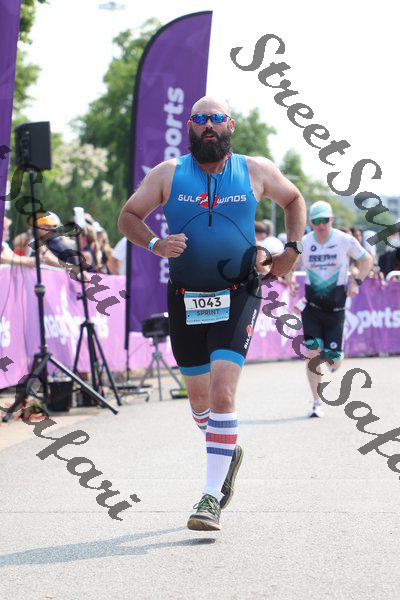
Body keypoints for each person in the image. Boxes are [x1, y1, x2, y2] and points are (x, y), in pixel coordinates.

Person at [118, 96, 306, 531]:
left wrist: (292, 251)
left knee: (223, 394)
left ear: (230, 126)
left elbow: (294, 199)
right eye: (200, 119)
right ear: (190, 127)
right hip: (186, 296)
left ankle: (209, 497)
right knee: (201, 404)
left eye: (216, 119)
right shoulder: (167, 174)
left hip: (239, 292)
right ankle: (227, 449)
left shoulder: (255, 170)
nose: (208, 126)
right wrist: (155, 244)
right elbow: (128, 216)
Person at [292, 201, 373, 418]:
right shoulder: (304, 242)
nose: (320, 225)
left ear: (332, 220)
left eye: (324, 221)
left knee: (333, 359)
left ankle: (335, 358)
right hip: (311, 308)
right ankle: (316, 402)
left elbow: (367, 260)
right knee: (312, 352)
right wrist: (290, 281)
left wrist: (356, 282)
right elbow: (291, 265)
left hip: (336, 309)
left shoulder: (344, 240)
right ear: (310, 223)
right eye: (316, 221)